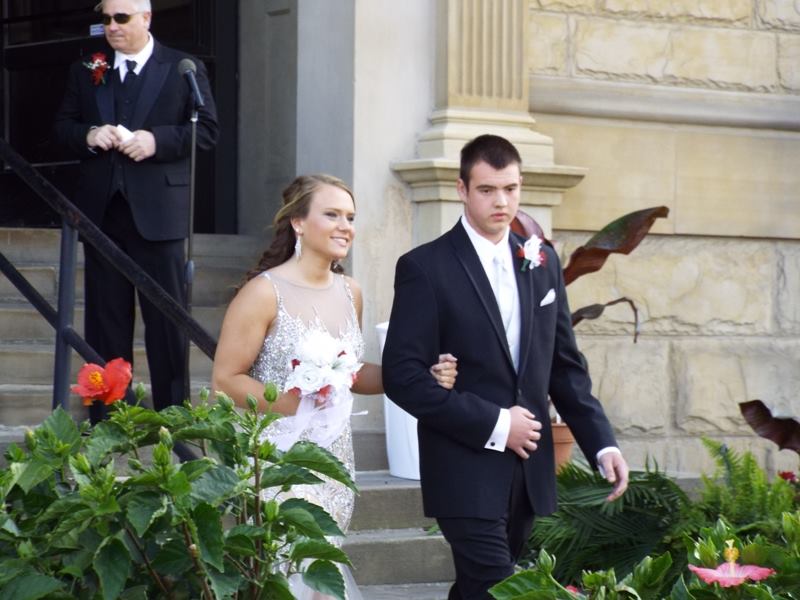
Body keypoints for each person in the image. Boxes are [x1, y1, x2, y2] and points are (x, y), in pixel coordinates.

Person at [381, 134, 629, 599]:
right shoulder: (425, 266)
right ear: (462, 189)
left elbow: (564, 366)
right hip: (462, 467)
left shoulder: (542, 260)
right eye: (487, 189)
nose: (501, 201)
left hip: (527, 470)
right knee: (504, 588)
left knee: (479, 590)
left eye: (511, 189)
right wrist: (498, 424)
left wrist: (602, 444)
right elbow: (403, 376)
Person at [211, 174, 457, 599]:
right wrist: (298, 404)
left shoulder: (350, 292)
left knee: (319, 568)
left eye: (350, 217)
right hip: (278, 458)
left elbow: (352, 374)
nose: (346, 226)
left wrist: (421, 375)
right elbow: (225, 379)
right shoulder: (263, 293)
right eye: (332, 215)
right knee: (296, 572)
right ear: (298, 222)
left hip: (334, 459)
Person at [53, 0, 218, 423]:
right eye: (106, 19)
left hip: (159, 216)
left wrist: (156, 141)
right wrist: (90, 134)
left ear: (146, 18)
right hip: (102, 213)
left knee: (167, 324)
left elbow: (206, 131)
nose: (112, 26)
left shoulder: (182, 68)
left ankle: (174, 421)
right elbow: (62, 128)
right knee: (105, 321)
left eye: (121, 18)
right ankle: (107, 423)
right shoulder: (86, 68)